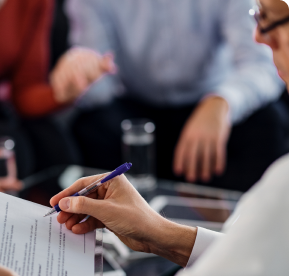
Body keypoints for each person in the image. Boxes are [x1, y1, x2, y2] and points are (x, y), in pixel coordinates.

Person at [0, 0, 289, 276]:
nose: (258, 36)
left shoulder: (281, 189)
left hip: (209, 99)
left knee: (266, 124)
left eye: (266, 18)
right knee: (84, 128)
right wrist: (160, 234)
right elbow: (265, 262)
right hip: (128, 103)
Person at [51, 0, 288, 192]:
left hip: (209, 107)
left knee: (268, 123)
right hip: (134, 109)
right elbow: (99, 89)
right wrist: (80, 77)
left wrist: (222, 102)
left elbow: (260, 62)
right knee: (92, 127)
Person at [0, 0, 114, 192]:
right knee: (13, 154)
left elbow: (25, 91)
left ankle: (60, 219)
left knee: (54, 147)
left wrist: (64, 91)